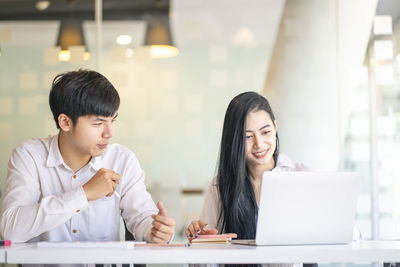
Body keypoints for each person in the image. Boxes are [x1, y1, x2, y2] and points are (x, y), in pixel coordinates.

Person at [0, 70, 175, 247]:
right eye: (98, 123)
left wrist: (155, 231)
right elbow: (11, 230)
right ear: (65, 122)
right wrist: (83, 194)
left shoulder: (122, 159)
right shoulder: (29, 156)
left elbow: (142, 218)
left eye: (112, 120)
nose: (109, 133)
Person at [186, 91, 307, 267]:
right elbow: (203, 264)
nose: (259, 144)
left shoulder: (301, 176)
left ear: (275, 127)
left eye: (265, 132)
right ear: (234, 141)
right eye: (247, 137)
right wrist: (200, 243)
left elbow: (347, 233)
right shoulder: (220, 186)